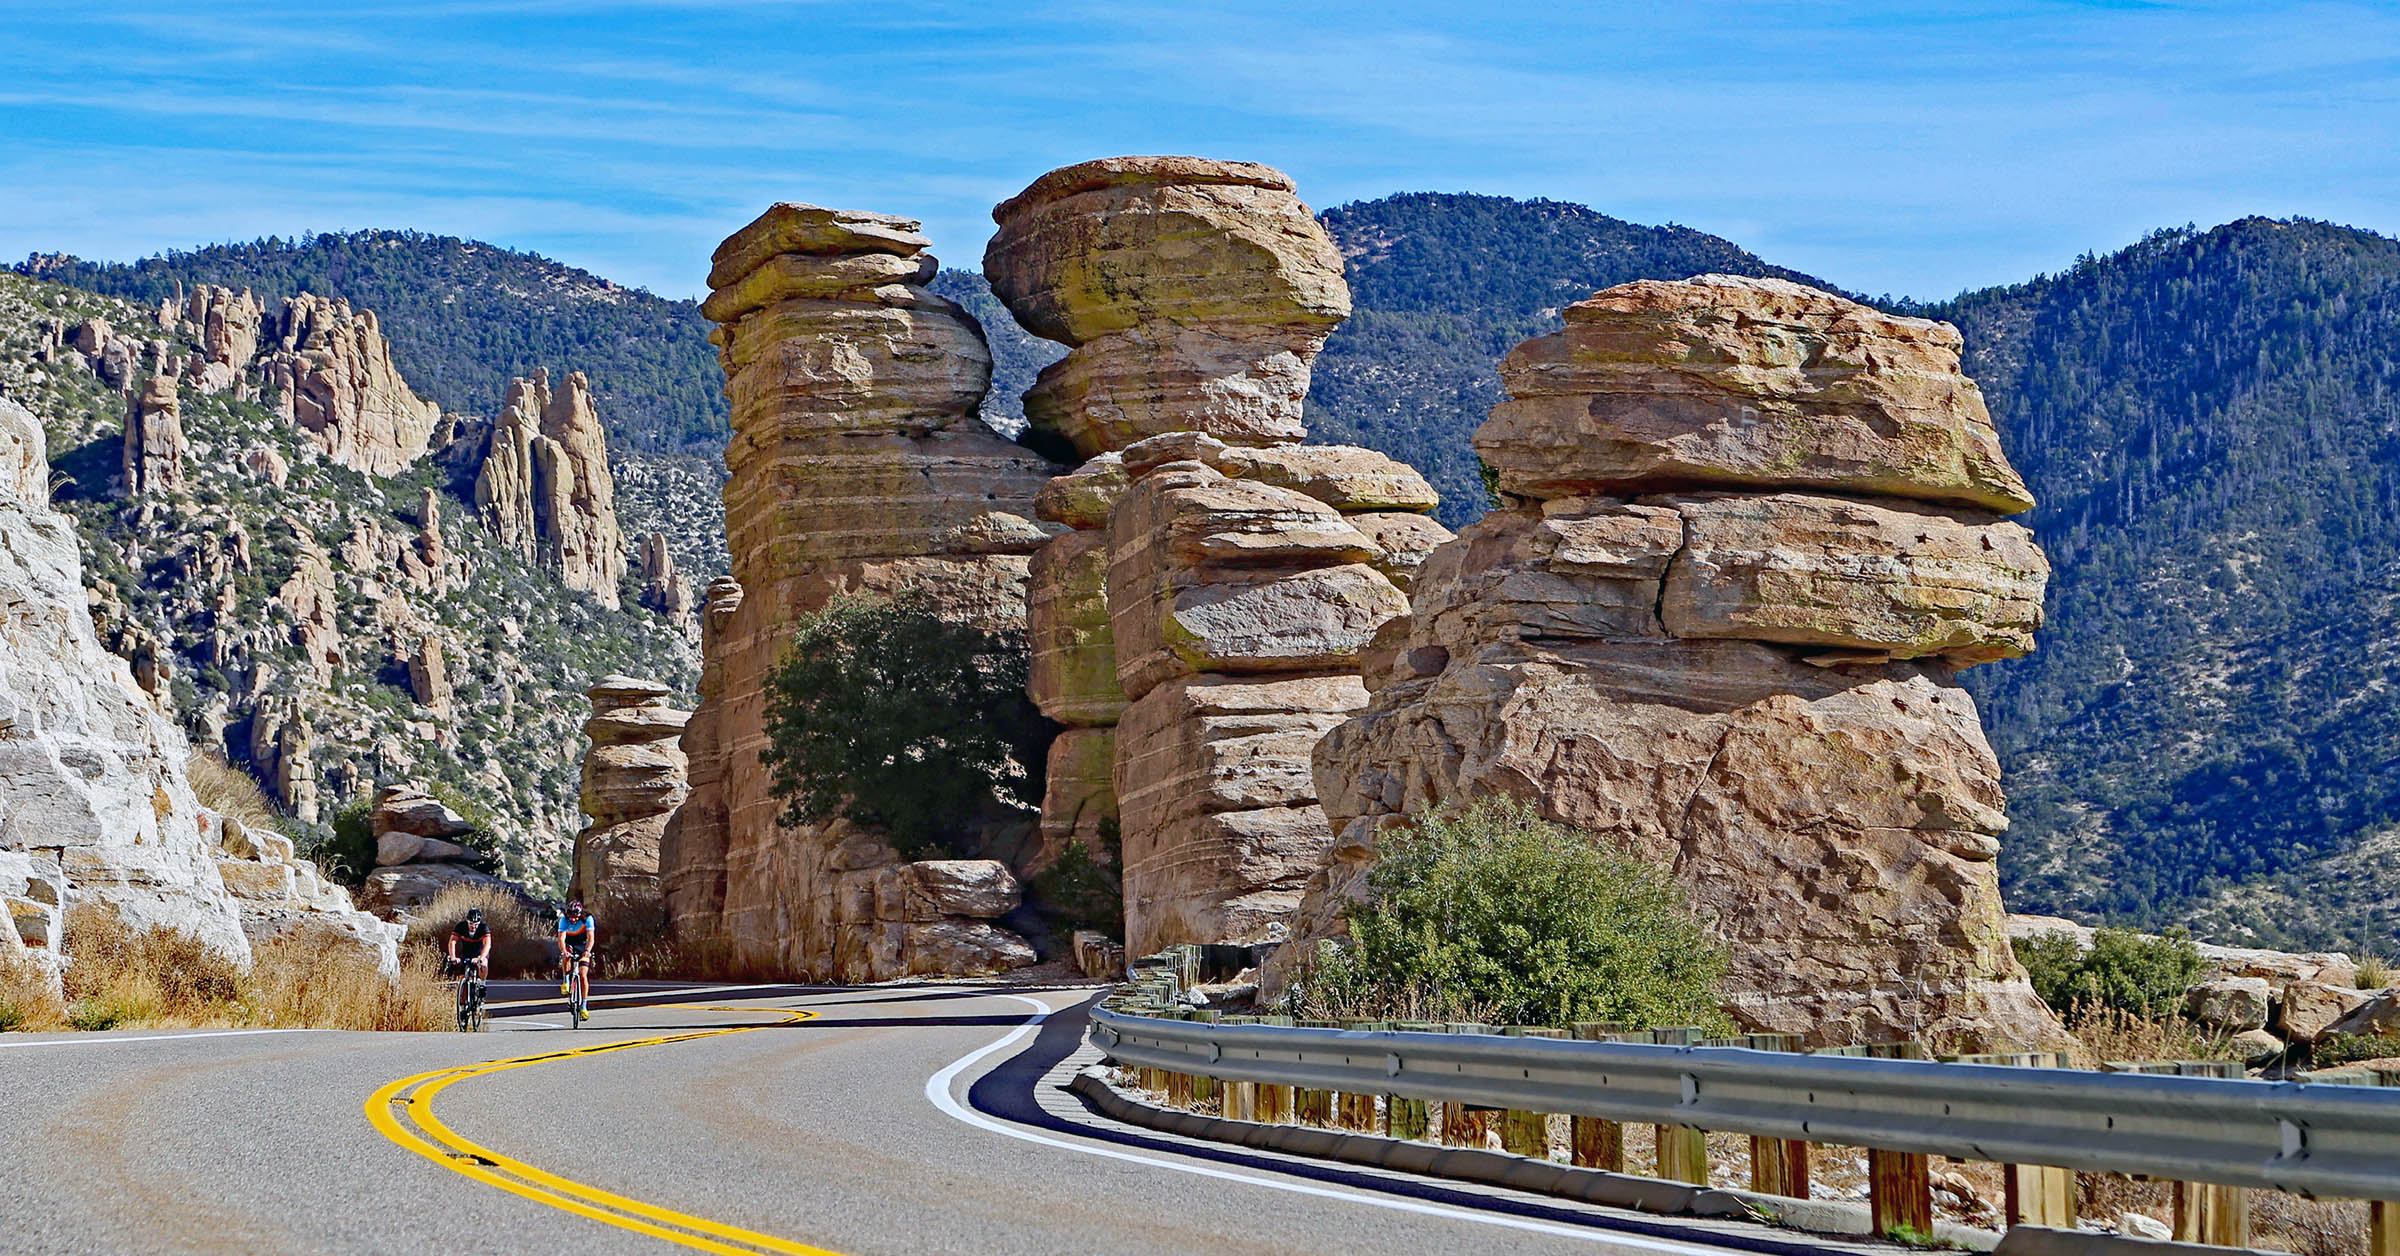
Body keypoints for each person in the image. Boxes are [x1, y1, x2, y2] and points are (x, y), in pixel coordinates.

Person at [556, 899, 597, 1007]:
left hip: (583, 945)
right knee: (566, 955)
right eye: (570, 916)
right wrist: (564, 951)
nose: (573, 919)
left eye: (575, 916)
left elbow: (591, 938)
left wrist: (588, 951)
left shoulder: (588, 919)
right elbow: (561, 939)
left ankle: (583, 1006)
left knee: (583, 975)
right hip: (570, 943)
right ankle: (566, 981)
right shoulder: (564, 920)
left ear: (580, 914)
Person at [446, 907, 492, 980]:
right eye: (471, 924)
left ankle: (482, 983)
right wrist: (453, 957)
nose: (473, 927)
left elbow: (487, 945)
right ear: (467, 921)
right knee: (462, 978)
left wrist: (481, 958)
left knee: (483, 965)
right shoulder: (461, 926)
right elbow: (452, 942)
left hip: (480, 953)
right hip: (466, 953)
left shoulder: (483, 928)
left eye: (476, 924)